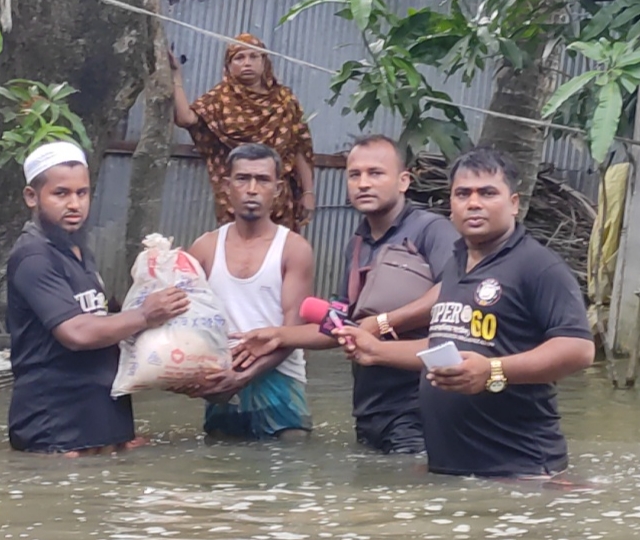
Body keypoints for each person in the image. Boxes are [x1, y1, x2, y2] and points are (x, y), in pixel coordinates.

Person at [336, 146, 595, 477]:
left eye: (487, 193)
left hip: (518, 469)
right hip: (454, 468)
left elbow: (579, 349)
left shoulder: (538, 266)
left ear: (514, 203)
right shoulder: (458, 261)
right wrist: (377, 351)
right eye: (463, 194)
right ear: (451, 205)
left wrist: (493, 371)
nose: (474, 203)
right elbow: (451, 348)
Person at [233, 135, 459, 454]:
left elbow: (456, 290)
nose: (363, 183)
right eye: (355, 175)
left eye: (375, 173)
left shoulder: (431, 230)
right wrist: (278, 336)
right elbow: (340, 324)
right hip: (370, 408)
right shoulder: (356, 245)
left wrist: (381, 323)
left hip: (421, 405)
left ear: (403, 181)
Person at [6, 141, 190, 456]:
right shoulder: (33, 256)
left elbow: (104, 326)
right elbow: (76, 333)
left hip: (95, 424)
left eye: (82, 193)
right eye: (60, 193)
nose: (74, 204)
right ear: (31, 197)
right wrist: (145, 315)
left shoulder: (78, 251)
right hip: (57, 428)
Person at [176, 143, 315, 440]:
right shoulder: (204, 248)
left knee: (289, 459)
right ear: (227, 186)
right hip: (221, 379)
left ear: (277, 189)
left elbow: (293, 331)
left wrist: (242, 376)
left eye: (262, 180)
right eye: (242, 179)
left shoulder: (293, 249)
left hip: (279, 380)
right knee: (220, 472)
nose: (252, 189)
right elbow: (183, 322)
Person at [171, 33, 316, 232]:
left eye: (253, 56)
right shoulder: (220, 98)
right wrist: (176, 78)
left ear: (264, 62)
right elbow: (185, 118)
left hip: (278, 197)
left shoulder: (284, 99)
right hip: (235, 198)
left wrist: (308, 192)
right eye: (239, 58)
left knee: (279, 252)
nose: (247, 63)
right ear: (228, 66)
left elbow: (300, 147)